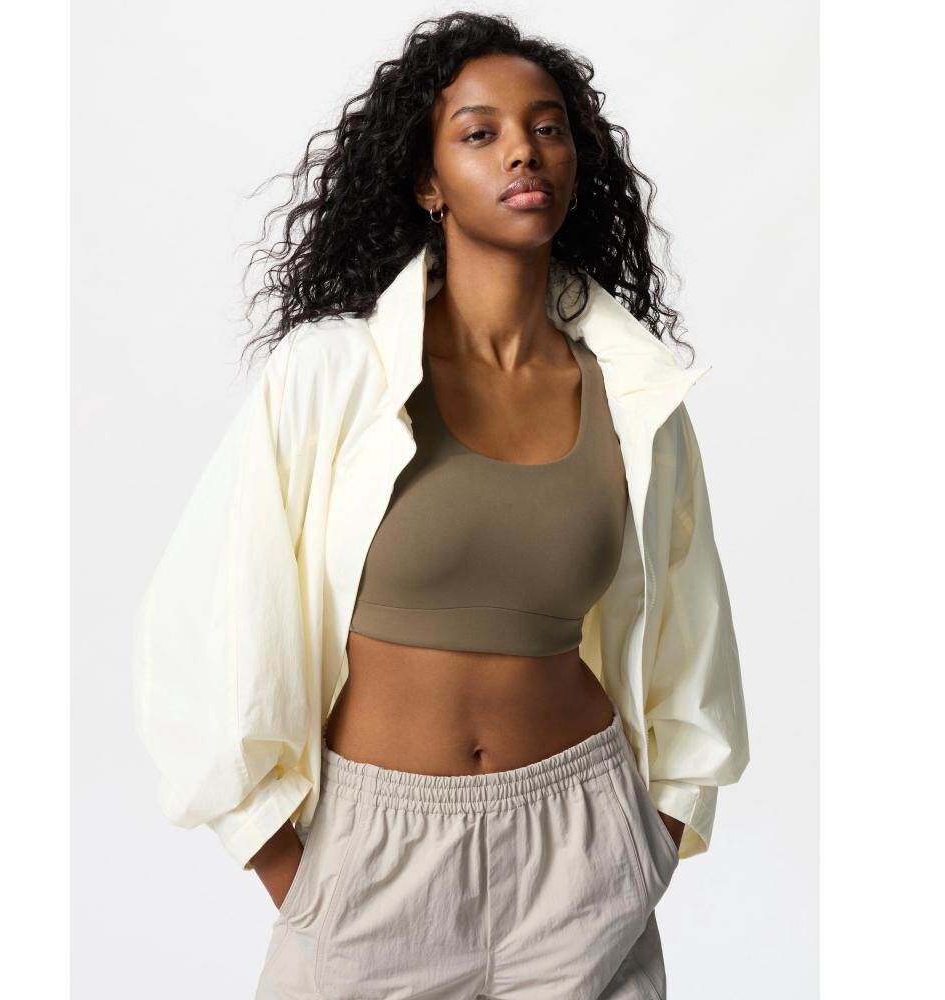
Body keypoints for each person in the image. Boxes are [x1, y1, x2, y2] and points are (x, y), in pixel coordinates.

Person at [132, 12, 750, 999]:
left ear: (575, 163)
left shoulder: (639, 398)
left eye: (546, 128)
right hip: (372, 866)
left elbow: (693, 641)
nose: (522, 150)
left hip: (583, 856)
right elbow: (205, 618)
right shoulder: (332, 376)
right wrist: (293, 871)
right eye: (480, 132)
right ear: (428, 182)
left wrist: (648, 846)